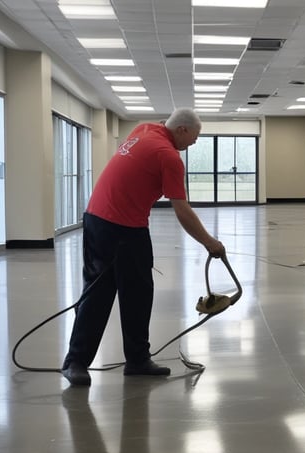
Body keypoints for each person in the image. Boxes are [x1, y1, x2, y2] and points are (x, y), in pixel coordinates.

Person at [61, 108, 225, 386]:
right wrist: (210, 243)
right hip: (122, 227)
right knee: (102, 295)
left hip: (98, 219)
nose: (194, 143)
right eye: (194, 137)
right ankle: (76, 361)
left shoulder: (144, 129)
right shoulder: (169, 156)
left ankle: (134, 360)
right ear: (182, 130)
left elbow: (160, 125)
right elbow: (182, 210)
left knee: (135, 294)